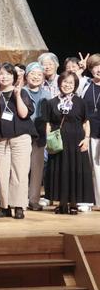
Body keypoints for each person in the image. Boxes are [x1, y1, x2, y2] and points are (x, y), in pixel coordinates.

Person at [0, 63, 35, 219]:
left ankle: (19, 206)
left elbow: (24, 114)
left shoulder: (22, 92)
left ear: (14, 76)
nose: (4, 77)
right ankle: (4, 206)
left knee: (19, 172)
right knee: (2, 173)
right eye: (1, 74)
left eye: (8, 74)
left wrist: (18, 95)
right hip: (0, 139)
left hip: (20, 138)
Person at [41, 72, 92, 214]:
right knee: (59, 170)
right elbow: (48, 123)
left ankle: (74, 203)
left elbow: (86, 121)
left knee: (75, 170)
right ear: (59, 83)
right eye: (65, 82)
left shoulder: (80, 102)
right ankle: (61, 203)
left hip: (76, 142)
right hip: (58, 142)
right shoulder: (51, 103)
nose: (67, 85)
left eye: (71, 83)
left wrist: (86, 139)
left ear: (75, 85)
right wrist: (48, 140)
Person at [23, 63, 53, 210]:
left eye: (39, 75)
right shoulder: (21, 92)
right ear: (26, 75)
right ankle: (19, 199)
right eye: (32, 74)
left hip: (40, 136)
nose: (36, 77)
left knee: (37, 169)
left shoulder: (47, 95)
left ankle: (33, 199)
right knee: (21, 169)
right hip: (23, 136)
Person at [78, 54, 100, 205]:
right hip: (88, 132)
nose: (98, 69)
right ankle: (94, 200)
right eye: (94, 66)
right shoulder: (85, 85)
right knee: (91, 167)